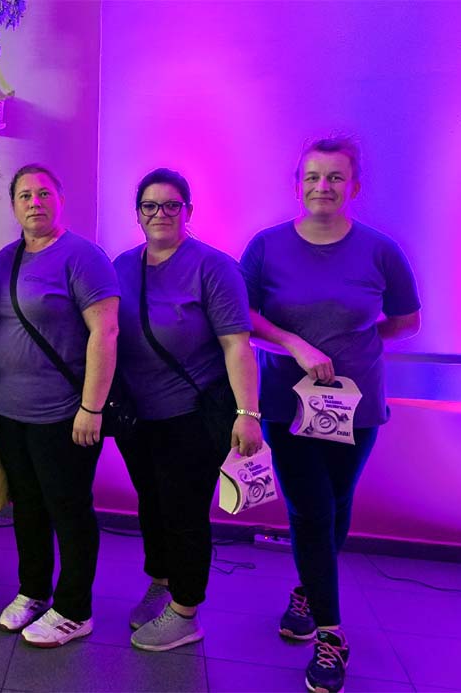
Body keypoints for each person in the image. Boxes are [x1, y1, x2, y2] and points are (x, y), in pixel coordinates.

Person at [241, 137, 420, 693]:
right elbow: (243, 317)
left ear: (354, 187)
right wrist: (295, 344)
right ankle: (330, 632)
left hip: (356, 404)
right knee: (311, 509)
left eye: (336, 177)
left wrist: (356, 346)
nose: (323, 186)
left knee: (337, 504)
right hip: (286, 403)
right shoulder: (266, 247)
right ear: (297, 185)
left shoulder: (381, 250)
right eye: (313, 176)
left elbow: (406, 321)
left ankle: (306, 591)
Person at [112, 168, 263, 653]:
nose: (160, 213)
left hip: (192, 416)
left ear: (188, 211)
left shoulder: (214, 268)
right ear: (138, 214)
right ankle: (161, 582)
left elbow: (237, 345)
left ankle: (185, 611)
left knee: (185, 511)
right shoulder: (122, 266)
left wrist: (248, 414)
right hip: (138, 416)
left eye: (171, 205)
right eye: (150, 206)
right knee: (151, 503)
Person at [0, 164, 119, 648]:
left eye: (44, 193)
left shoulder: (83, 256)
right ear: (13, 205)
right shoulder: (6, 258)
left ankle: (75, 609)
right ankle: (34, 590)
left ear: (60, 199)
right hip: (9, 412)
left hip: (65, 414)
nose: (34, 202)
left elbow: (106, 332)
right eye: (25, 195)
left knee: (69, 509)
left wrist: (92, 407)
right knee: (27, 506)